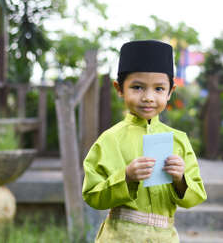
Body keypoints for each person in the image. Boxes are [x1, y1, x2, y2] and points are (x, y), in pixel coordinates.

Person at [82, 40, 207, 243]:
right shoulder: (110, 140)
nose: (148, 97)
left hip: (164, 237)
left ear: (170, 92)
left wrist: (180, 180)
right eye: (137, 87)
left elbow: (197, 196)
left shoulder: (179, 140)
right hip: (119, 237)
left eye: (158, 89)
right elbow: (92, 195)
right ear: (120, 89)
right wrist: (126, 177)